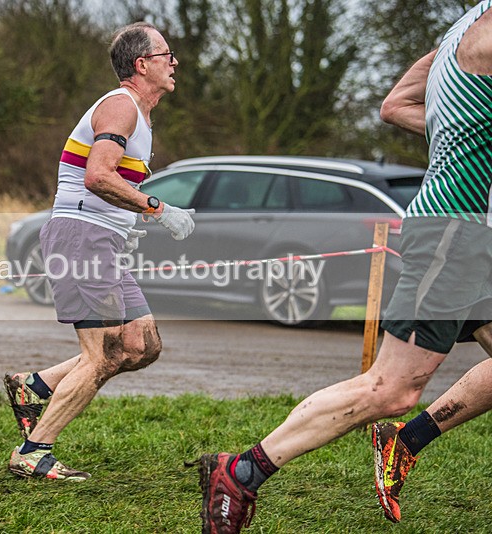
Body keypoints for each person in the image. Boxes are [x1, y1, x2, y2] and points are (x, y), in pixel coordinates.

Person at [196, 2, 492, 532]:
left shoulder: (458, 32)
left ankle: (406, 442)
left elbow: (395, 105)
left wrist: (467, 136)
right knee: (390, 388)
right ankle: (240, 471)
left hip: (466, 232)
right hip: (455, 233)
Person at [3, 22, 195, 481]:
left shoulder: (139, 115)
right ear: (141, 64)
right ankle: (34, 451)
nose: (175, 62)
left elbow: (104, 184)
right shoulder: (121, 106)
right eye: (166, 54)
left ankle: (35, 386)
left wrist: (125, 222)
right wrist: (157, 208)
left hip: (100, 238)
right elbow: (98, 176)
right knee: (105, 352)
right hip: (82, 238)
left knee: (141, 344)